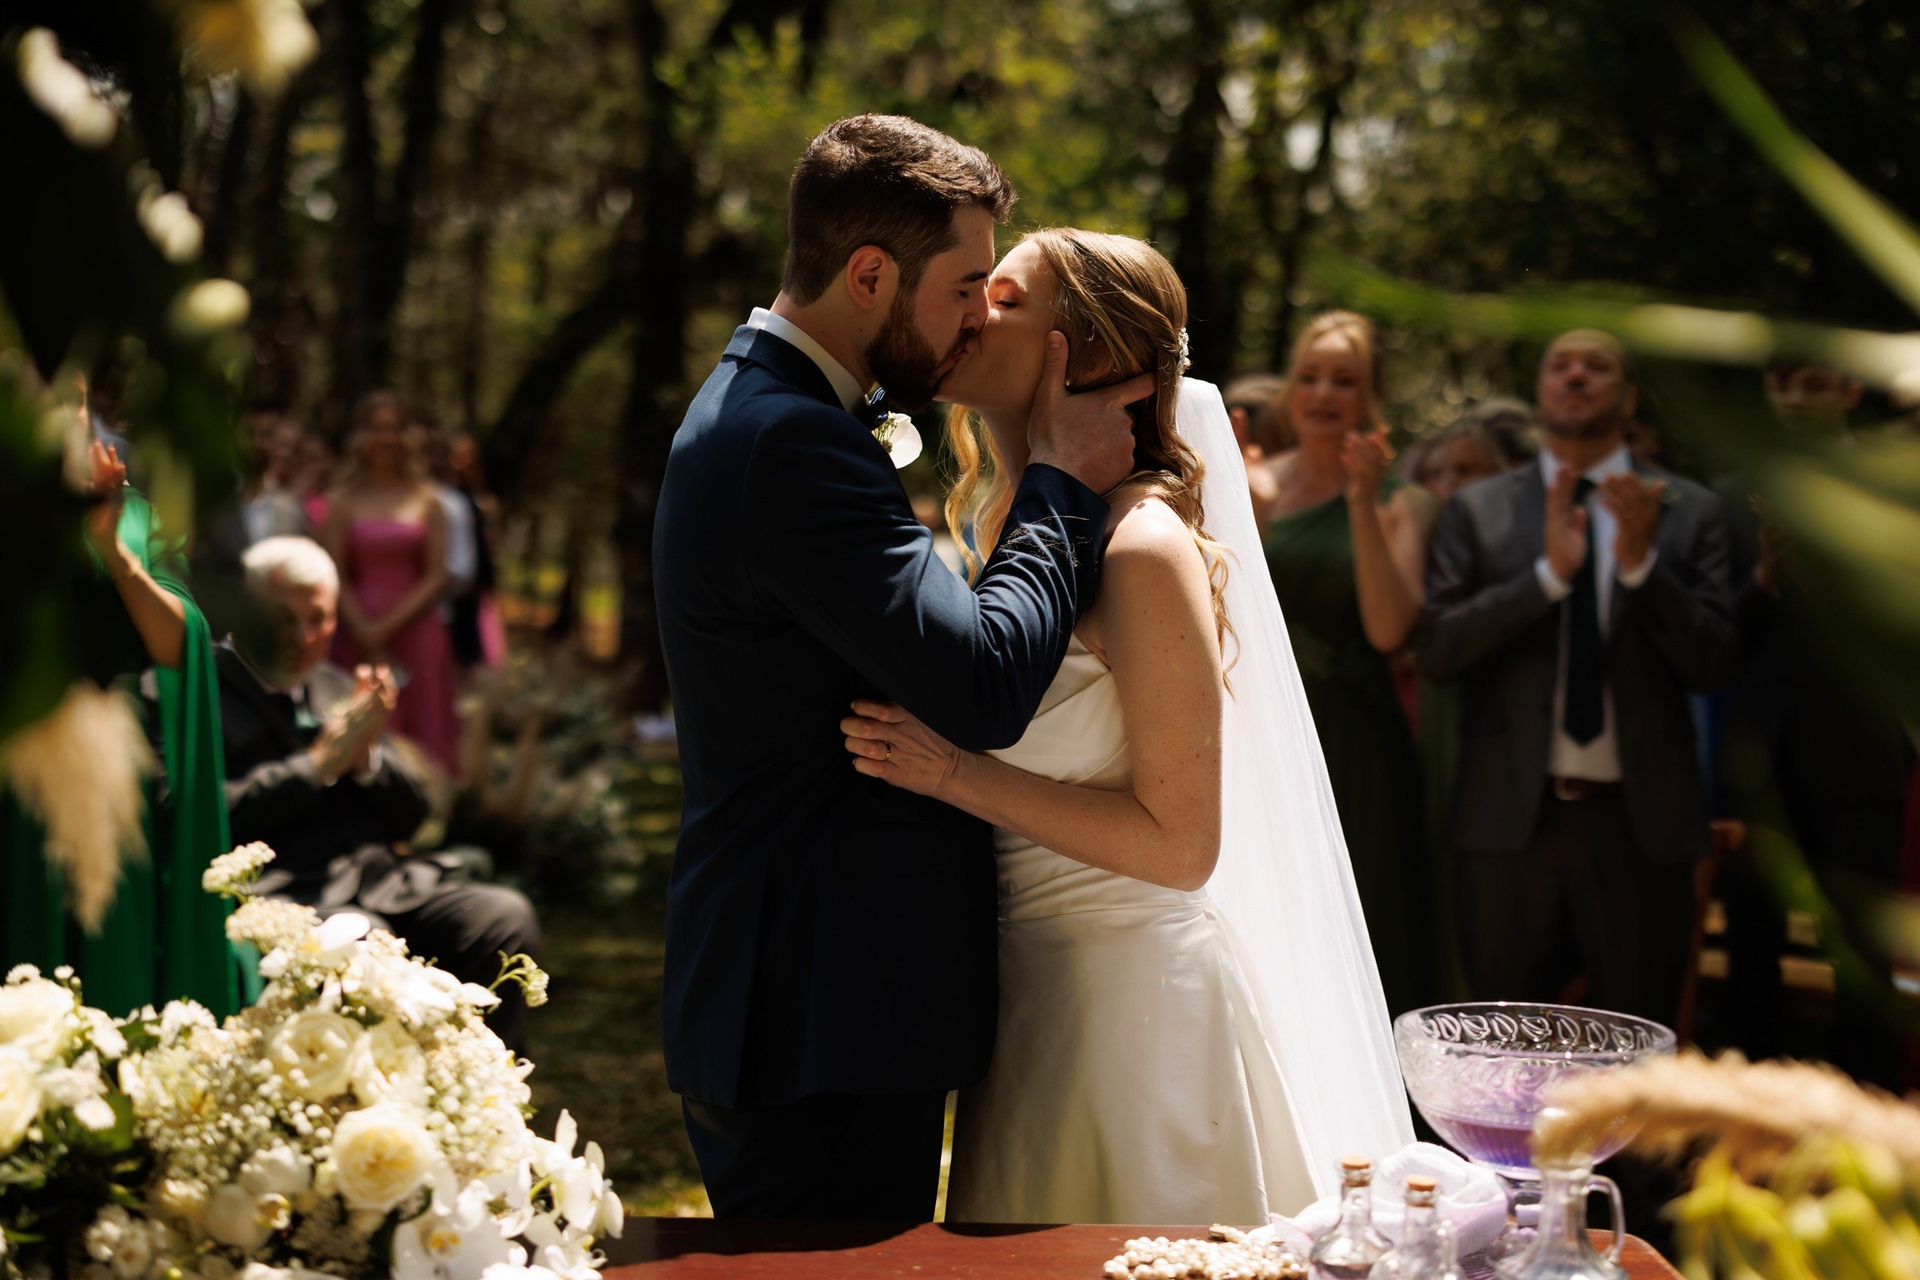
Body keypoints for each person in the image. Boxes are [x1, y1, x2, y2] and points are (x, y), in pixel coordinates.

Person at [843, 229, 1412, 1224]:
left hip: (1136, 1013)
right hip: (1033, 999)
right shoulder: (1005, 527)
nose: (970, 312)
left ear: (1087, 350)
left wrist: (954, 775)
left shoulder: (1141, 548)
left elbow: (1183, 846)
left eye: (1004, 298)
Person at [652, 115, 1148, 1222]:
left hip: (822, 996)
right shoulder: (787, 439)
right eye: (965, 286)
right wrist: (1060, 481)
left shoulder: (775, 410)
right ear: (871, 275)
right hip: (816, 1003)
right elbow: (982, 682)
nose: (978, 317)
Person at [1416, 329, 1738, 1025]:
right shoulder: (1479, 508)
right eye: (1560, 365)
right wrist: (1546, 579)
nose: (1576, 376)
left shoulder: (1689, 512)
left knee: (1637, 1045)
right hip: (1508, 825)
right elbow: (1438, 651)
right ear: (1540, 390)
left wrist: (1642, 568)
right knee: (1500, 1045)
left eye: (1597, 366)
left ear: (1629, 396)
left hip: (1640, 827)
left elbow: (1713, 663)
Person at [216, 536, 541, 1049]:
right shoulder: (204, 692)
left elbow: (414, 817)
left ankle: (483, 1085)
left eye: (319, 619)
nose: (303, 637)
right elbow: (209, 813)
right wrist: (316, 766)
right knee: (362, 939)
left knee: (502, 916)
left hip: (385, 883)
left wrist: (366, 758)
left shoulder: (333, 683)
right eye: (283, 619)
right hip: (292, 895)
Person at [3, 420, 237, 1019]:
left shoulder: (131, 512)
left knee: (109, 951)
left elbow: (179, 642)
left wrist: (112, 550)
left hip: (103, 771)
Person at [1257, 310, 1437, 1015]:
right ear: (1288, 390)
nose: (1324, 394)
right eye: (1309, 377)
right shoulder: (1253, 484)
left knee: (1367, 920)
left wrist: (1361, 503)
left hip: (1357, 742)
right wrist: (1249, 510)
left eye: (1344, 380)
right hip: (1263, 732)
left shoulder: (1405, 502)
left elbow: (1390, 631)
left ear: (1371, 397)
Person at [321, 392, 462, 773]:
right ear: (361, 436)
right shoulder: (341, 501)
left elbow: (437, 575)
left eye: (395, 429)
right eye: (376, 428)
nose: (386, 438)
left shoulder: (430, 500)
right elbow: (334, 572)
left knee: (424, 737)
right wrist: (364, 630)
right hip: (356, 634)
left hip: (416, 633)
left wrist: (384, 628)